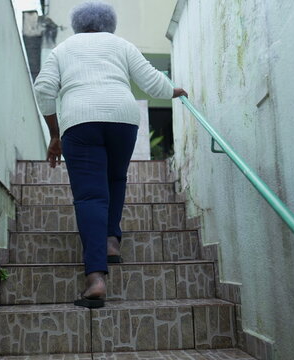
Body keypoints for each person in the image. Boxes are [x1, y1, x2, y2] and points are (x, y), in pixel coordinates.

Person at [33, 1, 188, 308]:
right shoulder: (121, 45)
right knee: (116, 178)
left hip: (80, 121)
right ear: (109, 23)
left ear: (77, 24)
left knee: (91, 197)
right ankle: (111, 241)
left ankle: (95, 280)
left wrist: (54, 134)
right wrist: (173, 91)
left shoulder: (63, 49)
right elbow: (152, 81)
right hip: (123, 118)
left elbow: (44, 89)